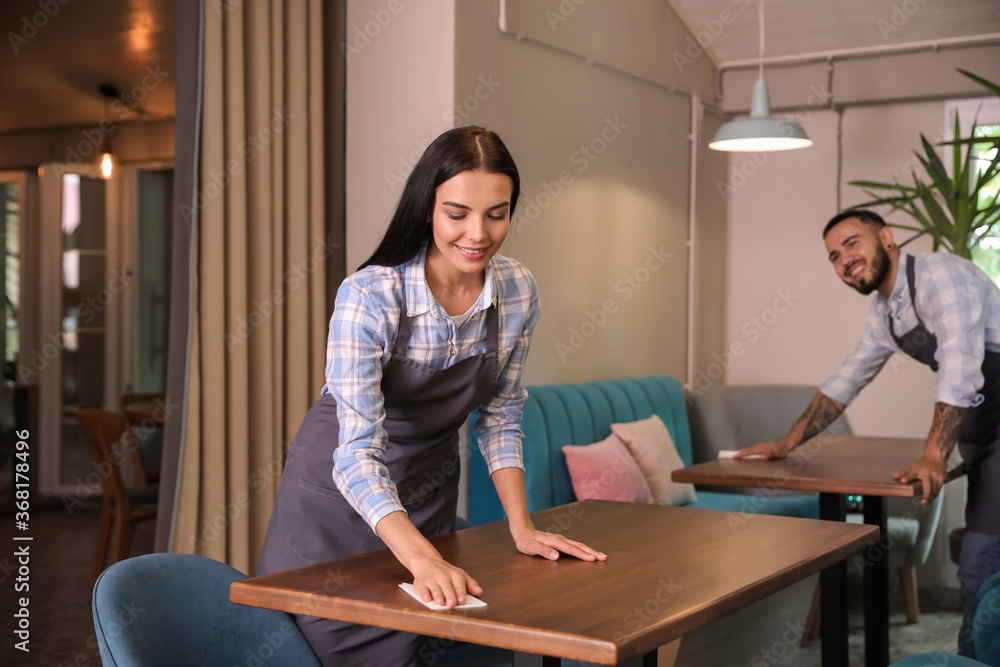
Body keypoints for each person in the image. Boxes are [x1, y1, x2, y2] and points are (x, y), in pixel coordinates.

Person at [257, 126, 607, 667]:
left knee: (445, 648)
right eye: (457, 213)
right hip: (336, 504)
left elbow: (501, 413)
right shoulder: (370, 295)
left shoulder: (517, 290)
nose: (478, 233)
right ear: (427, 209)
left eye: (497, 213)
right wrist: (418, 557)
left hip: (426, 492)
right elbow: (355, 455)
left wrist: (522, 527)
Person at [735, 209, 1000, 659]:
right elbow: (846, 381)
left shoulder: (943, 276)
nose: (844, 260)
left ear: (888, 238)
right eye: (834, 256)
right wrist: (786, 443)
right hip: (982, 435)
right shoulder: (887, 314)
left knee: (980, 568)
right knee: (981, 577)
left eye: (852, 243)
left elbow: (959, 368)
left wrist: (934, 454)